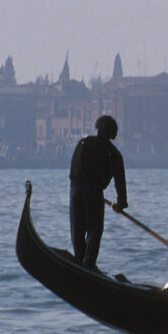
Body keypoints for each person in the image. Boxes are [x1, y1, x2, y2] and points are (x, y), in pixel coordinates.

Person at [69, 115, 127, 271]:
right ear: (113, 133)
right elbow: (120, 182)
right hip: (93, 193)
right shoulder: (113, 153)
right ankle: (88, 265)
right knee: (95, 230)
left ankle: (80, 261)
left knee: (77, 229)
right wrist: (121, 204)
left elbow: (73, 169)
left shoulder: (83, 143)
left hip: (75, 191)